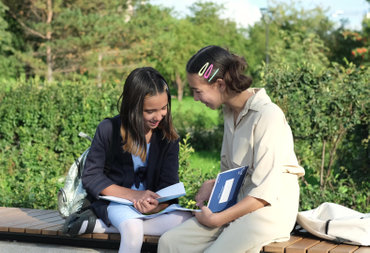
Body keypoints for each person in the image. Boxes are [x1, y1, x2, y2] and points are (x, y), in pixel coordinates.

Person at [158, 46, 305, 253]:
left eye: (198, 91)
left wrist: (217, 219)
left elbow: (264, 193)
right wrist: (214, 184)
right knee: (170, 242)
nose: (196, 98)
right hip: (239, 204)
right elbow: (230, 172)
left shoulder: (267, 116)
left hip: (268, 212)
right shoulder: (229, 113)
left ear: (219, 84)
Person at [68, 67, 191, 253]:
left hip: (150, 210)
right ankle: (109, 222)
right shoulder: (109, 129)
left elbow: (169, 186)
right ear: (132, 107)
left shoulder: (168, 138)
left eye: (164, 108)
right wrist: (134, 196)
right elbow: (92, 177)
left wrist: (157, 206)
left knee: (188, 221)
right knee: (133, 230)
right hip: (117, 203)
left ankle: (101, 226)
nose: (158, 116)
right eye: (150, 111)